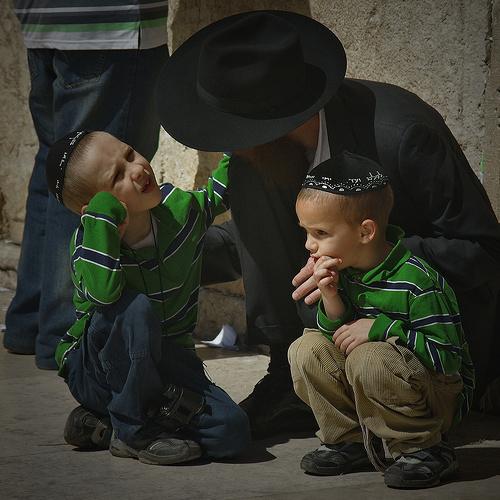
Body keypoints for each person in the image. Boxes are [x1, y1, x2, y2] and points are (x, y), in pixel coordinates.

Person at [155, 10, 500, 437]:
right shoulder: (263, 159)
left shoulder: (402, 135)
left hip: (421, 338)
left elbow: (483, 253)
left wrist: (369, 255)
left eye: (237, 135)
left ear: (277, 124)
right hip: (335, 328)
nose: (233, 149)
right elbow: (251, 244)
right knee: (249, 181)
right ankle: (287, 376)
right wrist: (152, 245)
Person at [43, 130, 250, 465]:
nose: (137, 170)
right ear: (93, 209)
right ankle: (133, 432)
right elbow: (104, 295)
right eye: (117, 177)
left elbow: (220, 192)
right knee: (134, 309)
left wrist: (239, 133)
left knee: (231, 432)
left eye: (129, 154)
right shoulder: (88, 245)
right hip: (97, 369)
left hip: (169, 363)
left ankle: (105, 424)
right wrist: (102, 221)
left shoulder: (180, 211)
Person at [288, 152, 474, 489]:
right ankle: (349, 441)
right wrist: (331, 297)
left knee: (369, 356)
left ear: (365, 232)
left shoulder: (417, 282)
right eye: (306, 231)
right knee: (306, 348)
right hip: (376, 384)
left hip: (435, 397)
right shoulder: (345, 269)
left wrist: (382, 329)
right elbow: (335, 338)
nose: (309, 244)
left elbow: (448, 361)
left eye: (320, 232)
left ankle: (423, 448)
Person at [5, 1, 169, 369]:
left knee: (57, 171)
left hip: (45, 21)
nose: (136, 166)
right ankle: (67, 337)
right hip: (108, 28)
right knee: (94, 189)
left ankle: (29, 321)